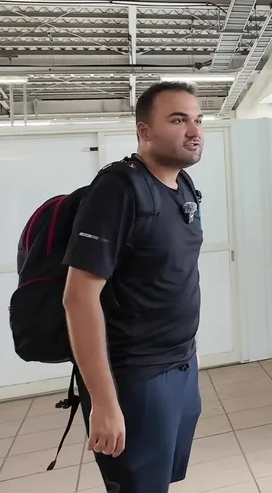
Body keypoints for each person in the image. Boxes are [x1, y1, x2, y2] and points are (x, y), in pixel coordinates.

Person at [62, 82, 205, 493]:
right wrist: (105, 403)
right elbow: (78, 297)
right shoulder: (118, 190)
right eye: (178, 120)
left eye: (198, 120)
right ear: (145, 131)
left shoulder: (182, 185)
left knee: (160, 480)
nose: (193, 131)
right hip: (135, 377)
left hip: (182, 364)